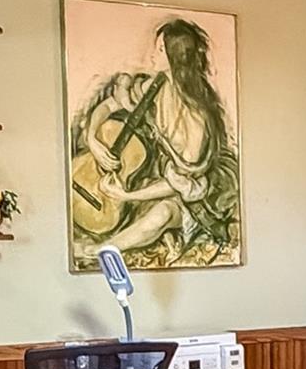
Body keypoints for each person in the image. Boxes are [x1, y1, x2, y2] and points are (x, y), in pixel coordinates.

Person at [69, 18, 240, 267]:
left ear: (174, 57)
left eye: (159, 50)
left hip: (202, 196)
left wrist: (127, 196)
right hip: (153, 175)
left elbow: (178, 185)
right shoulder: (157, 85)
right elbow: (108, 106)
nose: (152, 54)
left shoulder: (197, 119)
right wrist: (93, 139)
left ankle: (99, 251)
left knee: (161, 214)